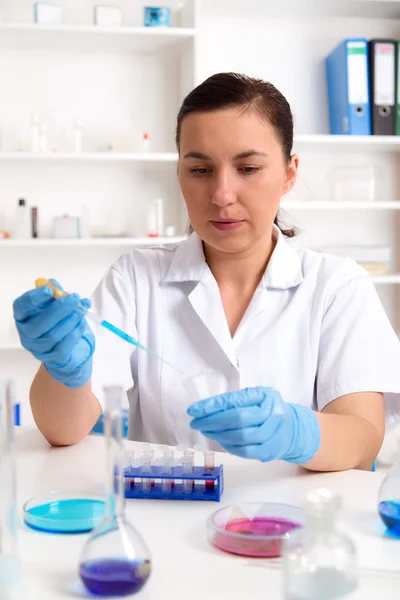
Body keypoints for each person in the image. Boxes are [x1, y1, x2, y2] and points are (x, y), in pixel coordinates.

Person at [13, 72, 400, 472]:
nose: (221, 195)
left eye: (248, 168)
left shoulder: (336, 286)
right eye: (200, 170)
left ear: (289, 173)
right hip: (164, 520)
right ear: (180, 174)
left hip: (289, 524)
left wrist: (297, 432)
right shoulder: (135, 277)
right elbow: (62, 431)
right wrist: (65, 370)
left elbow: (363, 440)